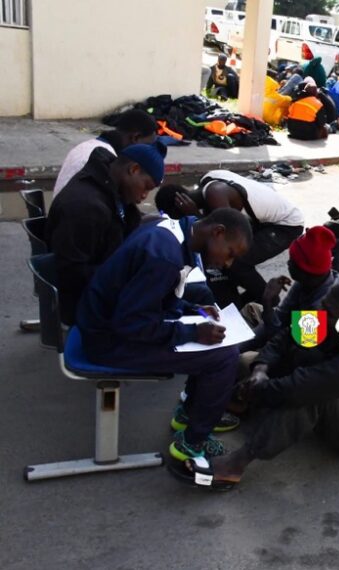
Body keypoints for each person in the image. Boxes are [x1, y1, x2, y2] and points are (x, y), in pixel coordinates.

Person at [76, 209, 253, 465]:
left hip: (103, 322)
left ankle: (189, 415)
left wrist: (194, 310)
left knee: (212, 340)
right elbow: (133, 324)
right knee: (225, 356)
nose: (228, 264)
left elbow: (150, 296)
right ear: (217, 232)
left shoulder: (172, 230)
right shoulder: (165, 258)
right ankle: (193, 442)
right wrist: (192, 332)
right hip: (109, 341)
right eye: (230, 253)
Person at [210, 282, 339, 487]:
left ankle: (236, 463)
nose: (320, 314)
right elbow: (284, 339)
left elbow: (303, 386)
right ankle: (244, 403)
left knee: (311, 396)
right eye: (323, 305)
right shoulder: (332, 317)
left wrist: (256, 391)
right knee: (248, 362)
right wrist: (260, 370)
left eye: (328, 312)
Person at [46, 143, 166, 324]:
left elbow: (122, 225)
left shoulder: (108, 187)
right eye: (146, 187)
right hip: (85, 303)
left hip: (101, 289)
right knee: (163, 305)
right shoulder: (87, 206)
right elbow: (72, 273)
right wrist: (128, 275)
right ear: (133, 169)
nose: (144, 196)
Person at [193, 170, 305, 307]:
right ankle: (251, 301)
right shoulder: (304, 291)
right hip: (264, 218)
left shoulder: (315, 305)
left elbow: (229, 234)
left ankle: (267, 300)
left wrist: (268, 305)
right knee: (228, 264)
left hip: (286, 224)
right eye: (292, 263)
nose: (289, 266)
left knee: (236, 261)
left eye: (293, 264)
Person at [245, 226, 339, 351]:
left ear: (305, 271)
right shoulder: (307, 283)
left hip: (300, 351)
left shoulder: (321, 308)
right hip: (291, 335)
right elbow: (281, 318)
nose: (288, 263)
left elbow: (284, 344)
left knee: (244, 359)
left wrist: (267, 302)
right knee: (250, 309)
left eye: (292, 261)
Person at [54, 109, 157, 196]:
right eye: (147, 146)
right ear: (135, 138)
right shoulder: (105, 160)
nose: (147, 152)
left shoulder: (89, 146)